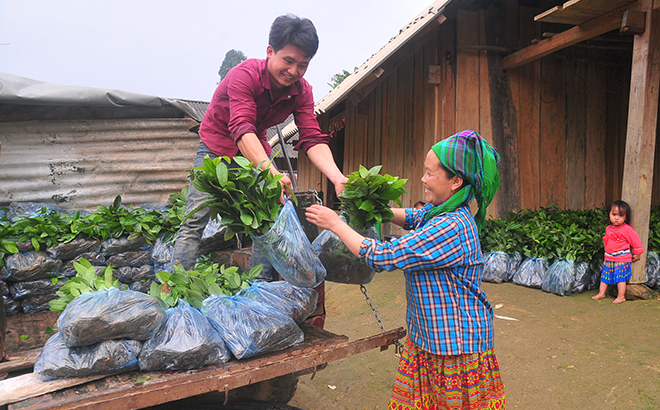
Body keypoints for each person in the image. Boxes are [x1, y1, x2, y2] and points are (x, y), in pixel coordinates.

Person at [306, 130, 506, 409]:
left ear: (456, 181)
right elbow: (412, 216)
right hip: (429, 336)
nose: (423, 179)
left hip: (456, 344)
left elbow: (384, 255)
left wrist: (337, 224)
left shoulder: (452, 226)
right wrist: (369, 205)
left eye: (430, 173)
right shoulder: (440, 212)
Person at [172, 13, 347, 269]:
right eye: (288, 61)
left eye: (303, 65)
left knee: (269, 217)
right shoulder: (244, 75)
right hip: (215, 147)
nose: (293, 71)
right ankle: (173, 289)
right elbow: (241, 129)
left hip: (255, 147)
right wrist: (272, 174)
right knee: (195, 218)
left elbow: (311, 137)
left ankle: (259, 286)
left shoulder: (302, 91)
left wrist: (336, 176)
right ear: (269, 51)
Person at [591, 200, 644, 304]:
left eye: (620, 215)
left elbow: (636, 241)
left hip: (622, 259)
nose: (616, 218)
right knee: (605, 277)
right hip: (609, 258)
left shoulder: (627, 230)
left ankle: (621, 296)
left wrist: (637, 253)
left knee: (620, 278)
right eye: (614, 214)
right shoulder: (608, 228)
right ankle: (602, 293)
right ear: (609, 214)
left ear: (625, 217)